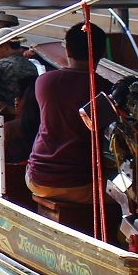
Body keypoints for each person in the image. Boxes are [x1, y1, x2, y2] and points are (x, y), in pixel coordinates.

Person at [25, 22, 107, 225]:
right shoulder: (105, 89)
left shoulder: (44, 81)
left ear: (67, 49)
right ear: (102, 53)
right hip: (80, 185)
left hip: (37, 178)